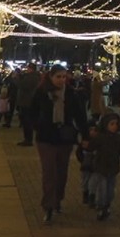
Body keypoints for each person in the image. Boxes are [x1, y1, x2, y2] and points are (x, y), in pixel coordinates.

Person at [33, 64, 89, 224]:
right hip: (46, 138)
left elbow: (80, 116)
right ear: (51, 77)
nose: (61, 80)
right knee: (49, 172)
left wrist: (85, 136)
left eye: (64, 77)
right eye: (58, 76)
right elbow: (32, 112)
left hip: (65, 137)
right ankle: (48, 206)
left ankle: (58, 199)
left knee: (62, 172)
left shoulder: (71, 94)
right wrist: (38, 125)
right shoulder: (42, 93)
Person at [86, 112, 120, 221]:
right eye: (112, 124)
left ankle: (107, 204)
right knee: (102, 189)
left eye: (116, 124)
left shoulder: (119, 139)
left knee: (110, 190)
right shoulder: (100, 138)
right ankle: (101, 206)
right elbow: (91, 147)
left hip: (113, 169)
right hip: (101, 168)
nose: (114, 126)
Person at [15, 62, 39, 145]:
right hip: (27, 101)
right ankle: (27, 139)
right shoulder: (32, 76)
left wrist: (17, 78)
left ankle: (28, 140)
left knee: (27, 121)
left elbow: (23, 85)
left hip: (27, 102)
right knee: (26, 121)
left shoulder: (32, 77)